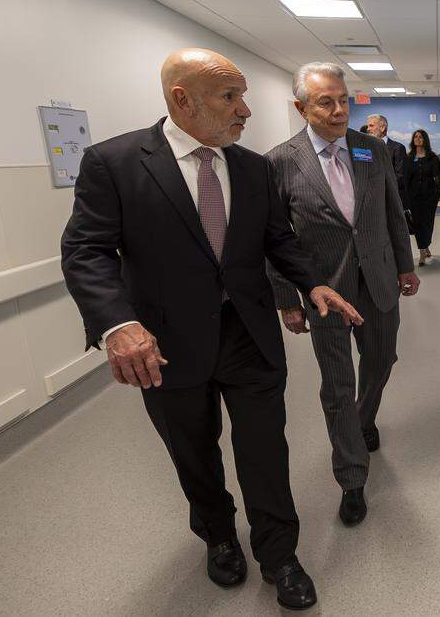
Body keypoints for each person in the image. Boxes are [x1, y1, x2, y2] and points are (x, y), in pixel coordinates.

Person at [61, 48, 364, 611]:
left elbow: (278, 239)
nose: (244, 110)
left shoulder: (251, 167)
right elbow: (86, 250)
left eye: (243, 95)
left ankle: (280, 555)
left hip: (248, 334)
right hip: (167, 345)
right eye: (230, 97)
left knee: (264, 450)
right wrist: (118, 324)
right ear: (182, 99)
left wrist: (312, 282)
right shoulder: (116, 162)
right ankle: (220, 536)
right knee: (193, 451)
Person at [267, 63, 418, 527]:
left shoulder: (372, 149)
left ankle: (363, 418)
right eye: (324, 103)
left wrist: (406, 264)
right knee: (336, 384)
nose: (337, 111)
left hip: (379, 281)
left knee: (381, 362)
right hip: (325, 293)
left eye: (343, 100)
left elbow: (392, 211)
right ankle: (352, 479)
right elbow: (274, 238)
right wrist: (287, 299)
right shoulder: (279, 161)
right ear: (300, 108)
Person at [404, 128, 440, 266]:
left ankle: (426, 245)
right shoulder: (409, 158)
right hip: (414, 198)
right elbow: (406, 179)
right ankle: (422, 252)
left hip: (430, 197)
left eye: (421, 137)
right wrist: (404, 198)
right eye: (415, 137)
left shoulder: (432, 157)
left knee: (427, 224)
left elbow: (439, 176)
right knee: (417, 224)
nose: (418, 139)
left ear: (425, 140)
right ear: (413, 140)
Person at [361, 114, 407, 207]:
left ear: (382, 128)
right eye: (368, 126)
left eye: (371, 126)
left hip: (391, 201)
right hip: (370, 202)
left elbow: (400, 176)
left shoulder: (397, 148)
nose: (368, 129)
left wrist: (378, 189)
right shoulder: (364, 149)